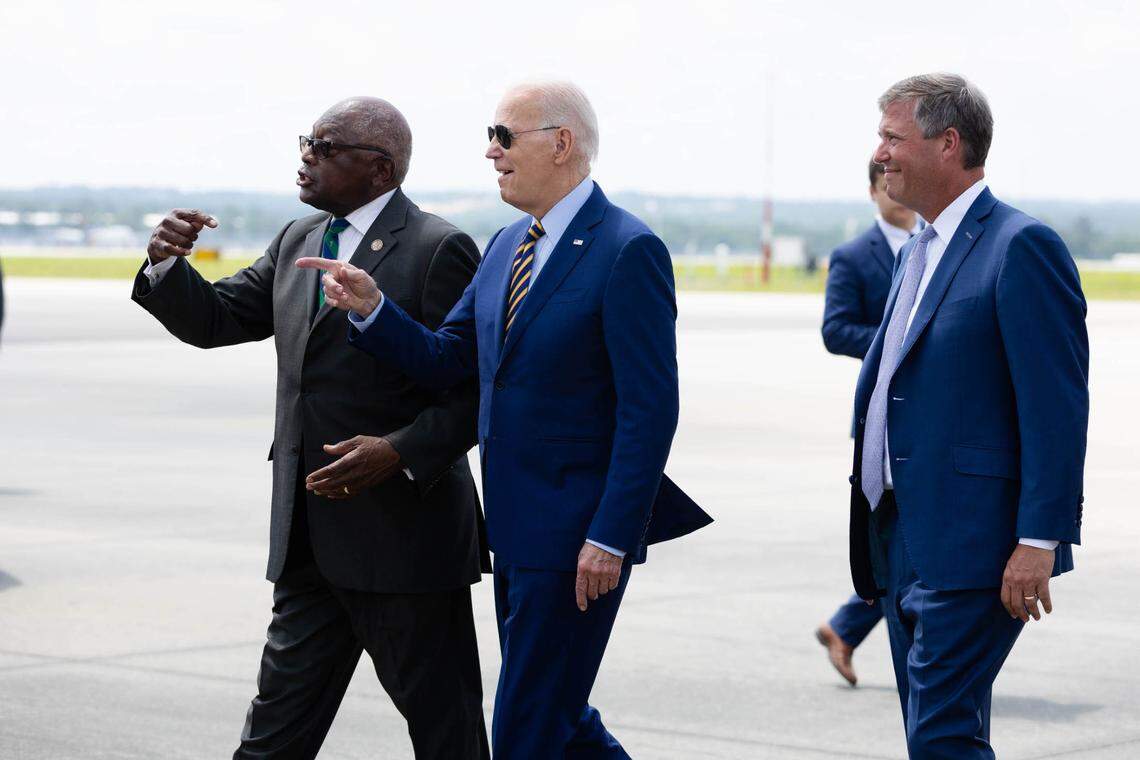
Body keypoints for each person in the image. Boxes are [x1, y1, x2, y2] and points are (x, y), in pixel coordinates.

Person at [299, 81, 712, 760]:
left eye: (503, 137)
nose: (490, 154)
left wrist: (610, 536)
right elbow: (449, 359)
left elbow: (650, 411)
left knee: (524, 728)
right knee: (560, 719)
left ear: (562, 142)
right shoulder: (505, 244)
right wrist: (373, 309)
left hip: (579, 540)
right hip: (515, 532)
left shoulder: (626, 250)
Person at [132, 97, 490, 759]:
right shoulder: (298, 240)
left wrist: (399, 451)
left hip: (405, 544)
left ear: (379, 170)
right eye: (307, 142)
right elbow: (216, 321)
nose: (305, 158)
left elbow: (474, 390)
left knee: (449, 737)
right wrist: (166, 265)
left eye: (324, 148)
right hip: (310, 542)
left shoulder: (439, 248)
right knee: (272, 740)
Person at [849, 73, 1088, 758]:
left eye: (893, 138)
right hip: (898, 537)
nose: (881, 154)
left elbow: (1056, 407)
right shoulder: (919, 250)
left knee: (941, 735)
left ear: (948, 144)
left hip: (974, 544)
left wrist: (1039, 540)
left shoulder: (1020, 247)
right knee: (938, 730)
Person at [815, 160, 922, 686]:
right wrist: (893, 346)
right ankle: (849, 627)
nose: (896, 194)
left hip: (930, 421)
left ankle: (845, 628)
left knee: (910, 548)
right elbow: (835, 330)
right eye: (885, 184)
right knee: (892, 545)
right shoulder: (855, 256)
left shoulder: (933, 241)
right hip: (882, 421)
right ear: (872, 191)